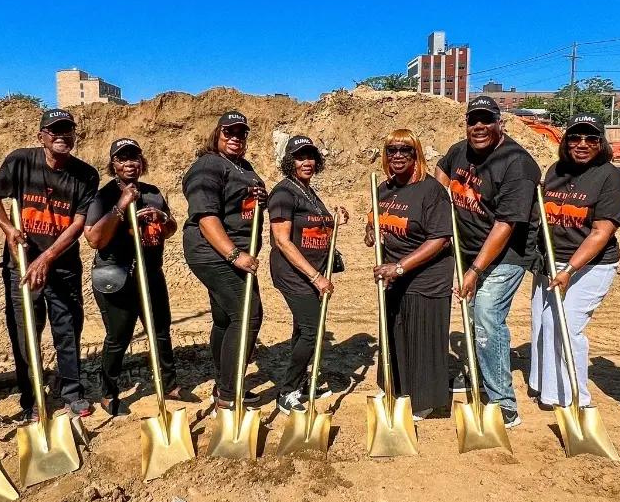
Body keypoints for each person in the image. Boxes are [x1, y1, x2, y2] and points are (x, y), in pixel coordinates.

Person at [0, 109, 99, 420]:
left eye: (67, 130)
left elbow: (78, 222)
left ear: (75, 136)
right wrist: (8, 228)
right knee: (25, 333)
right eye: (54, 131)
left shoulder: (86, 175)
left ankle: (72, 392)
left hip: (62, 265)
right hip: (20, 263)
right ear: (42, 137)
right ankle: (32, 399)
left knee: (68, 329)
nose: (61, 136)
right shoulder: (21, 161)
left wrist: (47, 257)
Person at [434, 95, 540, 428]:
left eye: (486, 120)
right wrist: (437, 202)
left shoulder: (518, 165)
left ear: (500, 123)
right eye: (473, 120)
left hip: (506, 254)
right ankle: (477, 375)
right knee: (472, 319)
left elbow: (506, 225)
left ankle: (502, 403)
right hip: (468, 250)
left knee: (487, 318)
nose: (479, 126)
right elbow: (441, 170)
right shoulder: (459, 150)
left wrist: (475, 270)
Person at [530, 113, 620, 409]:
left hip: (589, 265)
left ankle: (576, 397)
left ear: (602, 143)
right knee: (541, 323)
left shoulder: (610, 178)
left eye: (591, 138)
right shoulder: (556, 170)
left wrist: (570, 269)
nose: (582, 144)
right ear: (565, 141)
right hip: (550, 260)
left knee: (564, 324)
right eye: (575, 137)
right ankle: (544, 385)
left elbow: (601, 232)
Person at [84, 138, 184, 416]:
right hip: (116, 276)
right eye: (122, 158)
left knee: (161, 330)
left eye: (134, 158)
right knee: (119, 336)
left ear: (142, 162)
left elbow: (171, 228)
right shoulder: (103, 197)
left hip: (151, 272)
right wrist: (121, 206)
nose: (129, 163)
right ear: (113, 164)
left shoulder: (152, 192)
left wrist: (162, 217)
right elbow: (93, 238)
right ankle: (108, 392)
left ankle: (170, 385)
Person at [182, 111, 270, 411]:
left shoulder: (242, 166)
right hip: (216, 252)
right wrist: (234, 254)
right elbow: (206, 217)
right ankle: (229, 393)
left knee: (225, 318)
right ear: (217, 134)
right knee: (248, 315)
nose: (235, 138)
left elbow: (247, 201)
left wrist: (261, 197)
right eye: (229, 132)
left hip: (236, 253)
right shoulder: (207, 166)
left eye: (241, 133)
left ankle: (224, 382)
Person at [366, 129, 453, 419]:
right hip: (392, 275)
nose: (398, 155)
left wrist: (401, 266)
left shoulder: (431, 191)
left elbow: (440, 239)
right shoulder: (384, 189)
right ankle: (396, 385)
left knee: (422, 337)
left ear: (417, 155)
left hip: (426, 276)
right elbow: (376, 225)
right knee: (394, 331)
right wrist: (372, 232)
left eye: (406, 150)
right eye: (392, 150)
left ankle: (423, 400)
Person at [267, 135, 350, 415]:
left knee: (303, 329)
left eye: (311, 156)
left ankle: (300, 383)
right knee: (313, 331)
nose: (307, 162)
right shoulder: (283, 193)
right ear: (290, 161)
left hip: (311, 272)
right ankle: (287, 390)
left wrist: (334, 219)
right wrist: (315, 277)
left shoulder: (307, 191)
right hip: (294, 274)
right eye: (301, 157)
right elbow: (282, 240)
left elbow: (313, 225)